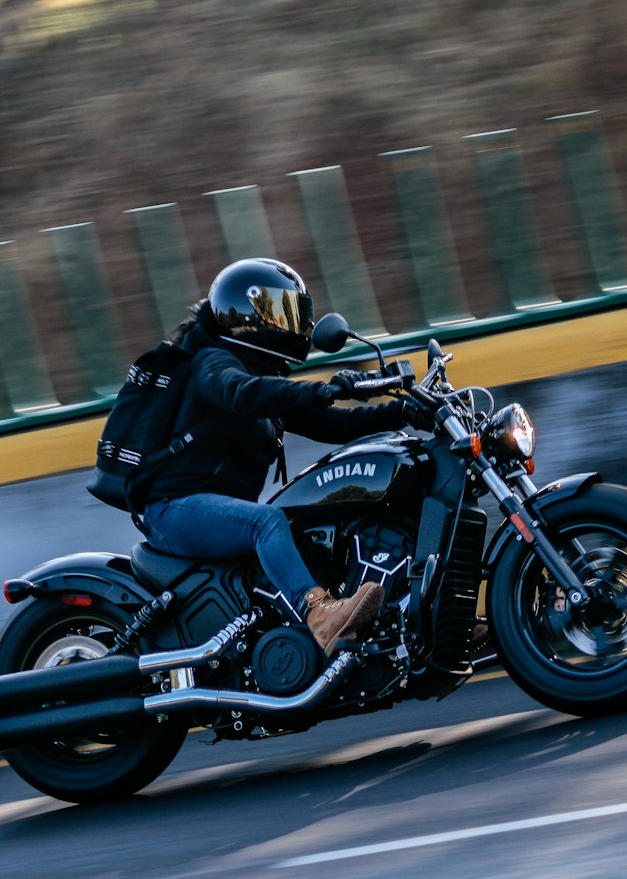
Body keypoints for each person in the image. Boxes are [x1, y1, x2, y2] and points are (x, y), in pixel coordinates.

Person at [133, 258, 422, 656]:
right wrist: (321, 389)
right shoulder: (212, 361)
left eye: (293, 312)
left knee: (306, 525)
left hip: (208, 506)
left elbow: (335, 425)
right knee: (267, 521)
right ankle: (320, 615)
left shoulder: (264, 380)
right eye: (278, 312)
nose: (289, 324)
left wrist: (405, 411)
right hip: (173, 507)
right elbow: (240, 392)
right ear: (248, 316)